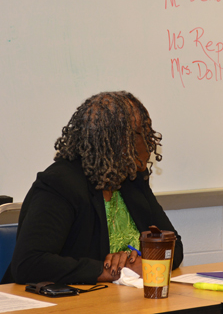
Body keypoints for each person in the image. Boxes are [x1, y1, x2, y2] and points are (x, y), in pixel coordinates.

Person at [4, 91, 184, 285]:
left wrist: (145, 261)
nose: (150, 143)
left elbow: (174, 249)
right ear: (121, 141)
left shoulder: (132, 180)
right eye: (143, 133)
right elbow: (29, 264)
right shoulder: (60, 184)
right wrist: (110, 271)